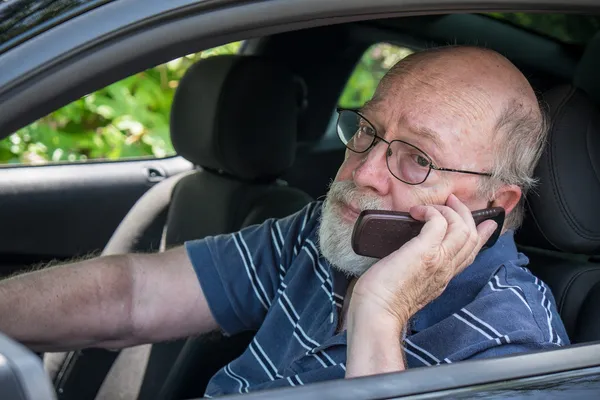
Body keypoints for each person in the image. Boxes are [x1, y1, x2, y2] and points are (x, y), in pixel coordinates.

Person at [0, 46, 568, 397]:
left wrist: (379, 315)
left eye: (417, 159)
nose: (364, 170)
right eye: (367, 132)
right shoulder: (329, 230)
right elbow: (132, 296)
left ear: (494, 199)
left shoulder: (520, 353)